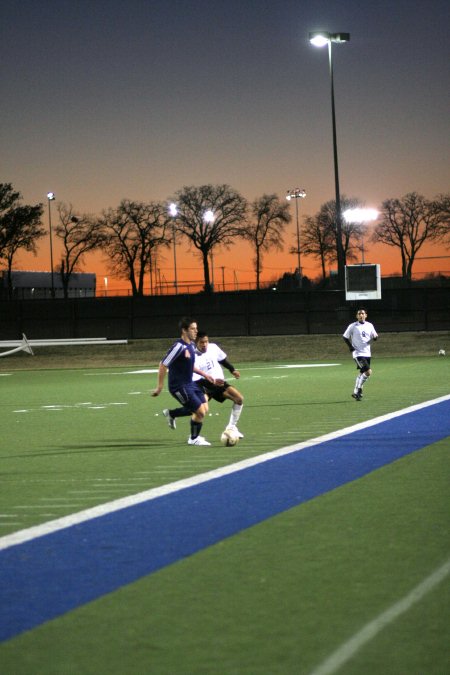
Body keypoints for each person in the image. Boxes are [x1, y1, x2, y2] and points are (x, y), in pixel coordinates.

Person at [151, 317, 215, 446]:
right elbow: (163, 365)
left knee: (205, 408)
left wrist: (204, 375)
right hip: (178, 386)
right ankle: (193, 438)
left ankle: (171, 413)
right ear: (184, 330)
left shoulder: (190, 345)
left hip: (190, 384)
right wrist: (159, 387)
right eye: (192, 329)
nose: (196, 331)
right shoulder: (178, 347)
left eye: (196, 328)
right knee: (200, 412)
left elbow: (189, 366)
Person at [193, 331, 245, 438]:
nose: (204, 345)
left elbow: (223, 360)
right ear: (196, 342)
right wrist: (211, 382)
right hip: (204, 386)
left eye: (206, 341)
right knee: (200, 410)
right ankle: (193, 436)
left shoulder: (213, 347)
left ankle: (231, 428)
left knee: (239, 399)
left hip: (220, 384)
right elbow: (196, 378)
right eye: (202, 342)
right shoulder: (193, 356)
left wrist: (232, 370)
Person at [343, 308, 378, 401]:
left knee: (362, 373)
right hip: (357, 353)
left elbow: (375, 336)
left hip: (367, 353)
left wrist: (375, 337)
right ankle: (359, 389)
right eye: (359, 314)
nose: (361, 315)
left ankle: (356, 392)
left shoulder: (370, 325)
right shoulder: (353, 326)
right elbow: (345, 337)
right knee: (368, 372)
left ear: (366, 315)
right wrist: (351, 347)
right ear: (357, 316)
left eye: (362, 313)